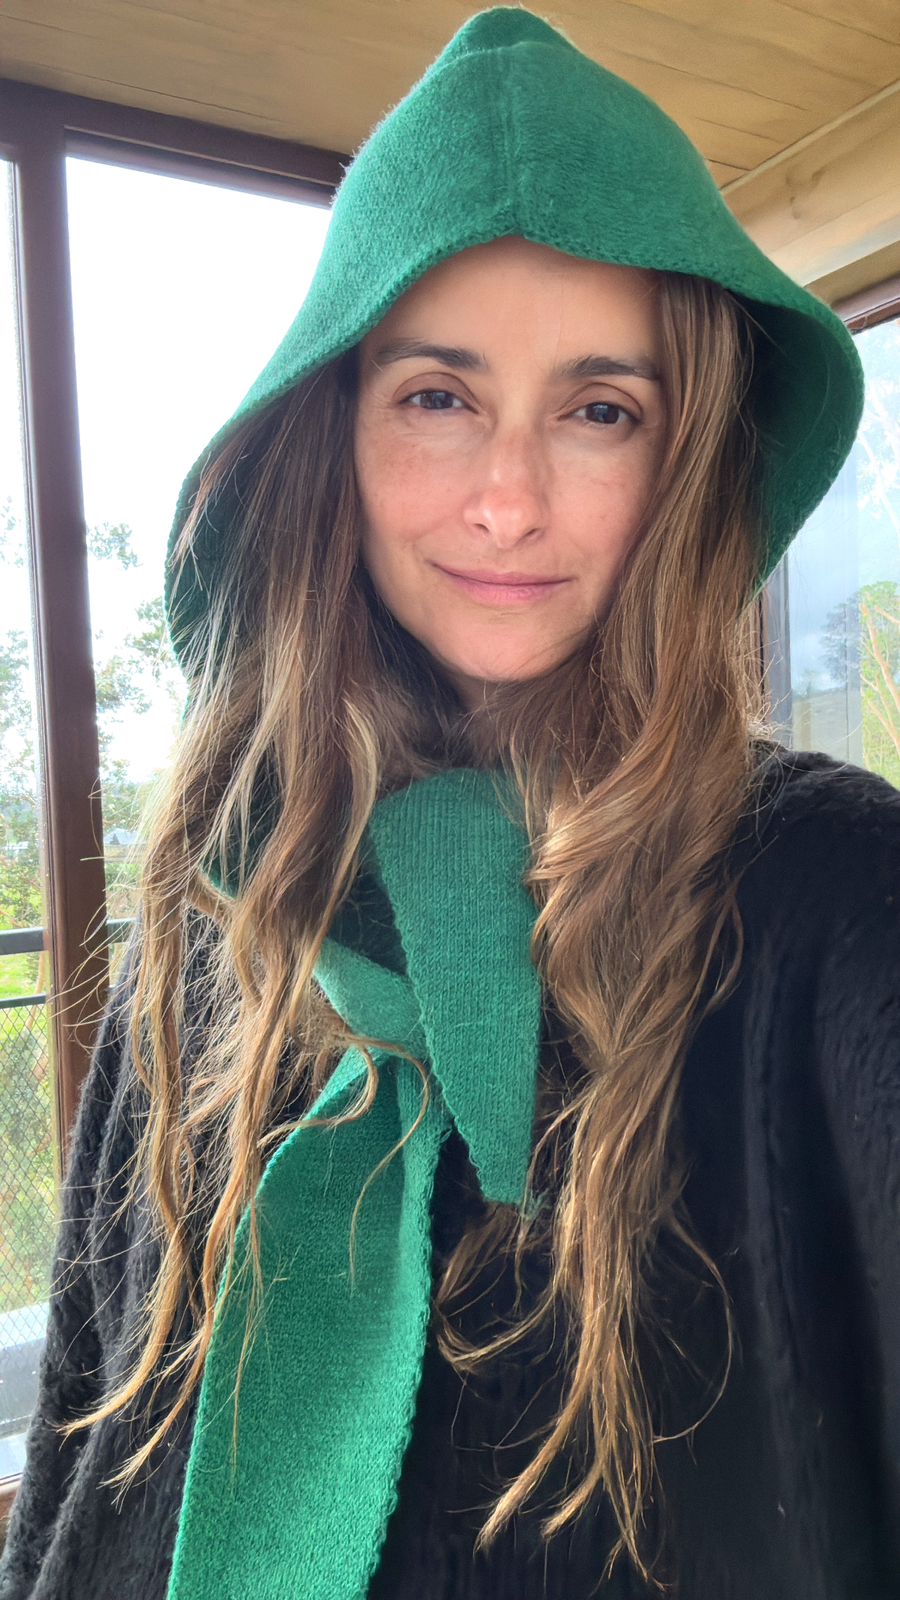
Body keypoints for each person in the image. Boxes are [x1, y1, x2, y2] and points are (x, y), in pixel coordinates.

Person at [1, 7, 898, 1599]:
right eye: (437, 396)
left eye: (600, 408)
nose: (508, 498)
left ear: (685, 457)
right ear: (331, 435)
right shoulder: (223, 894)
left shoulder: (832, 890)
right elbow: (88, 1406)